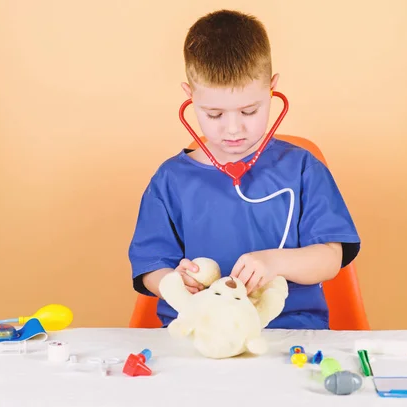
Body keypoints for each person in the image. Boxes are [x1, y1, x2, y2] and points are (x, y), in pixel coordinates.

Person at [128, 9, 360, 329]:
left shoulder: (303, 169)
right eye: (214, 114)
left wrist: (273, 261)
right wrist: (173, 281)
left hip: (287, 332)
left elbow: (330, 259)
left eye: (249, 110)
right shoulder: (170, 181)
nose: (233, 129)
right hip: (200, 333)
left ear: (271, 90)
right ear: (189, 96)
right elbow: (151, 266)